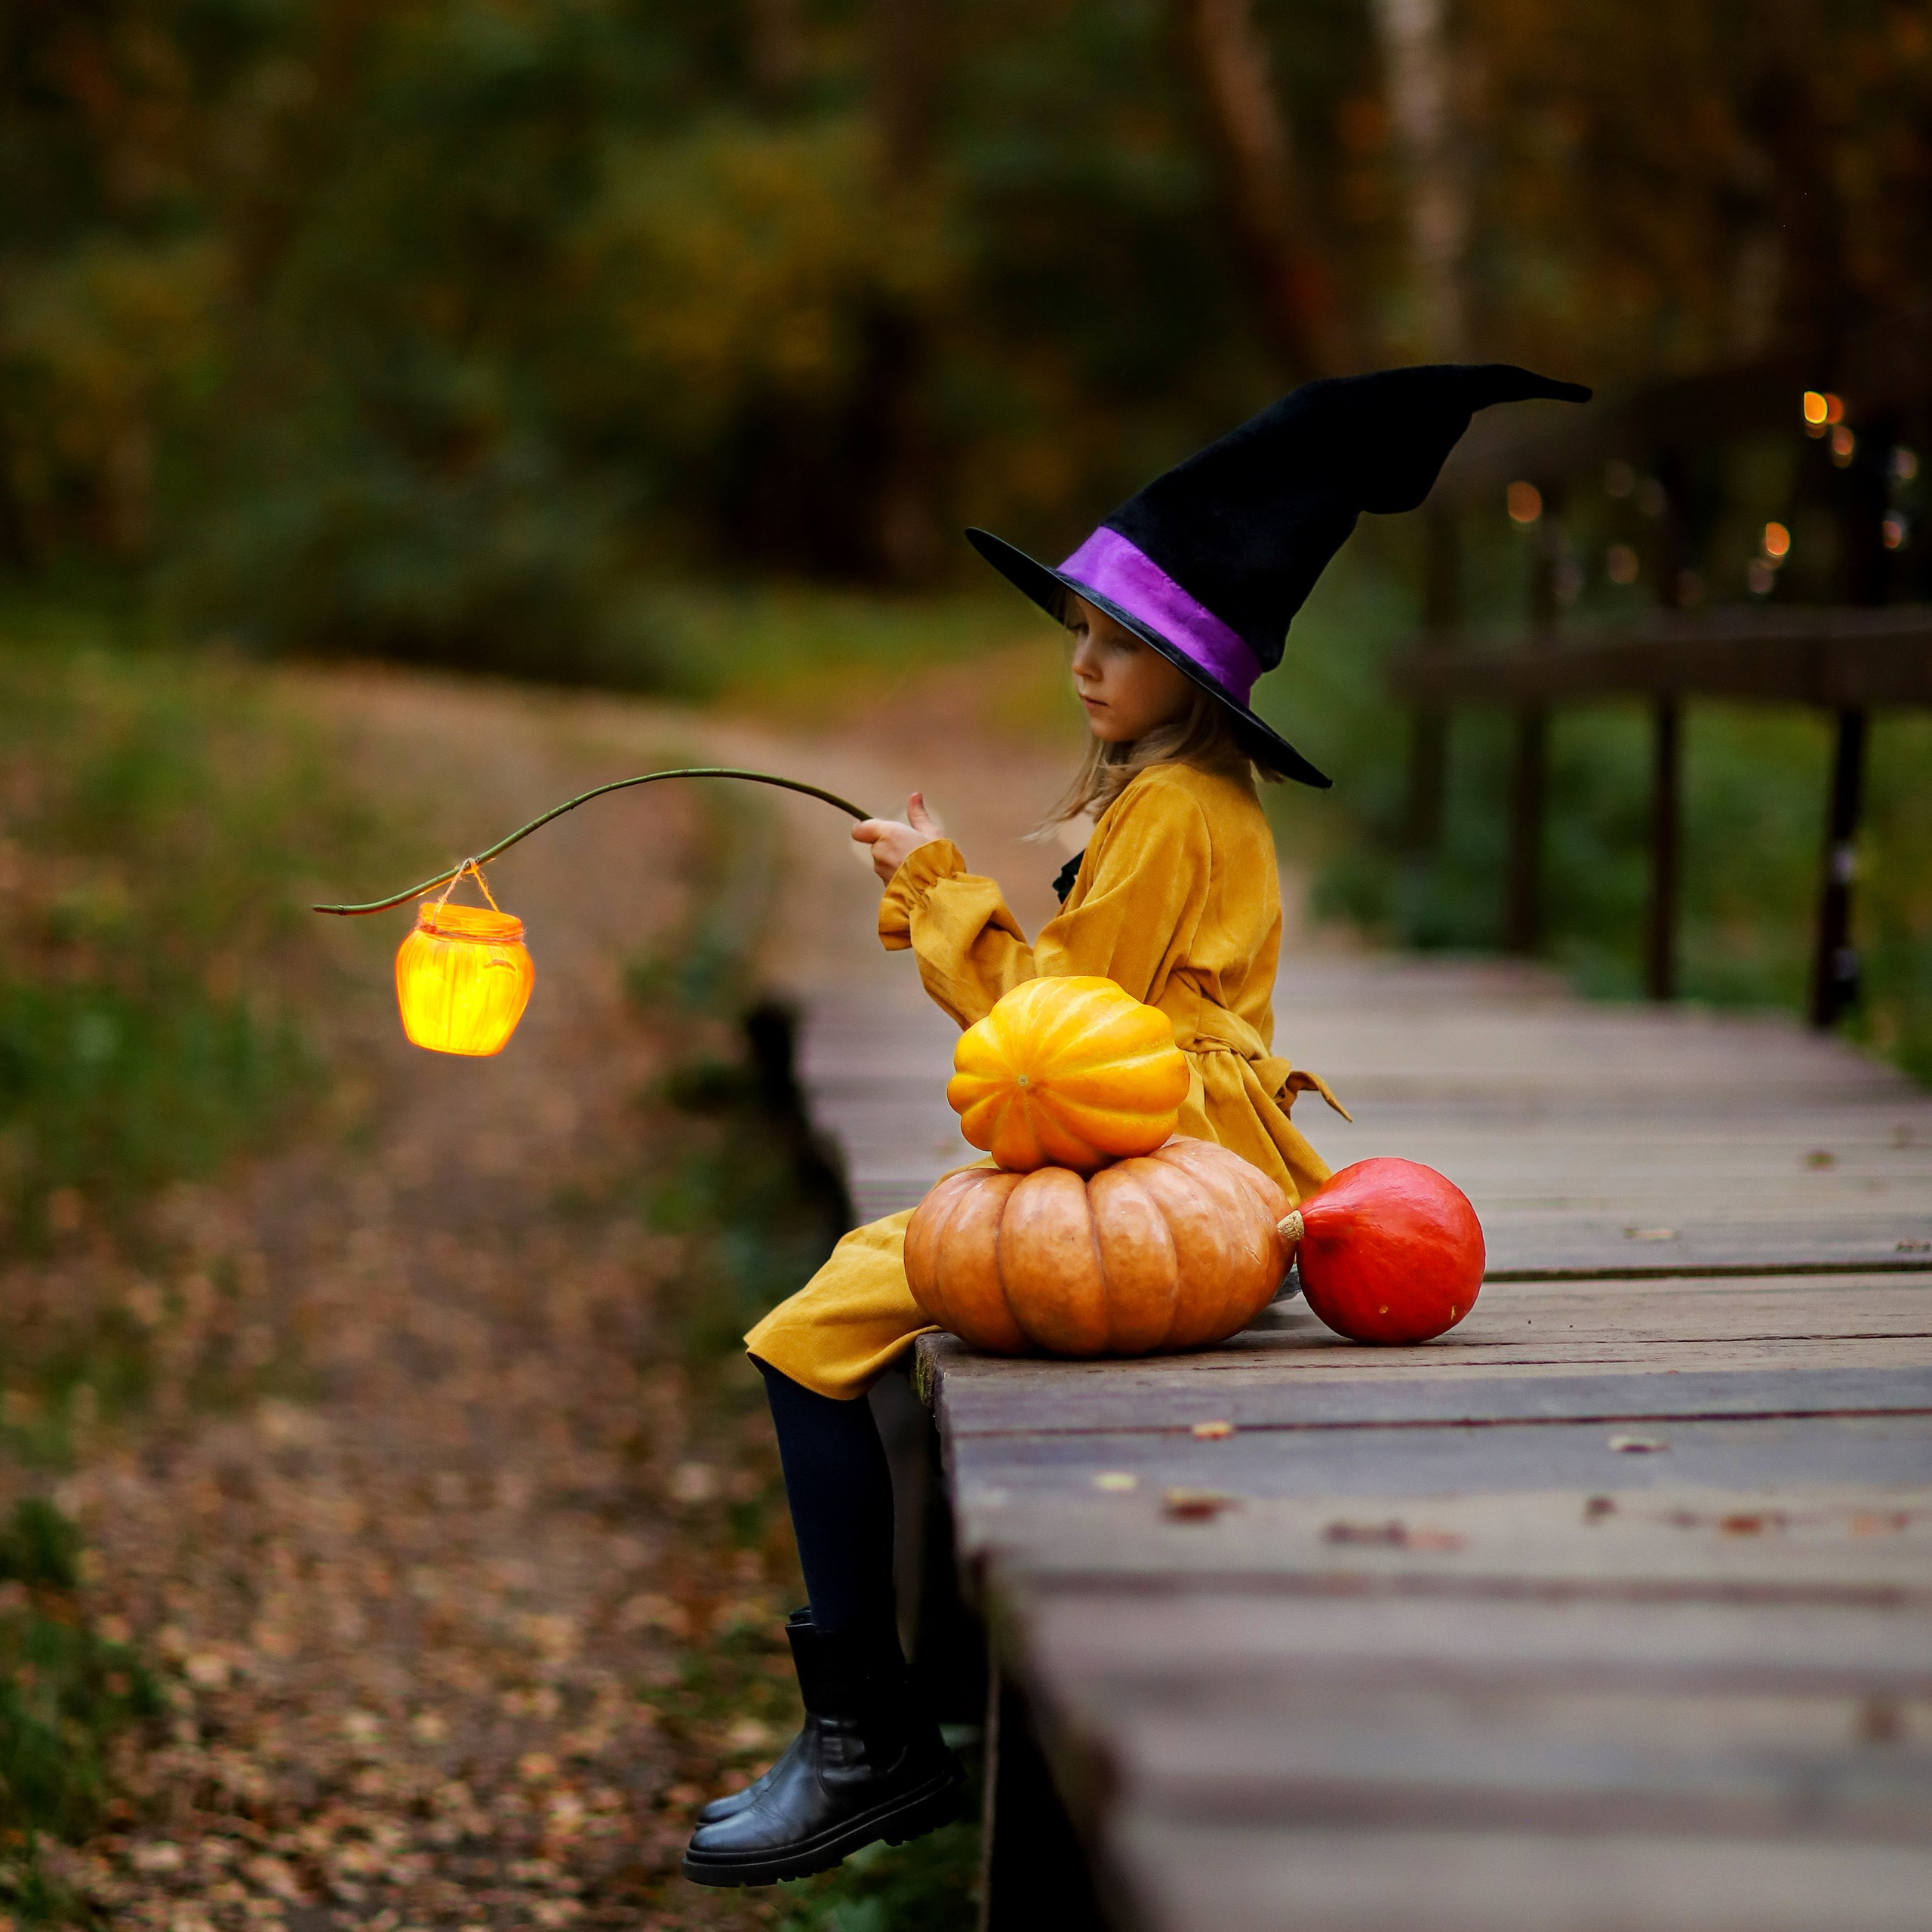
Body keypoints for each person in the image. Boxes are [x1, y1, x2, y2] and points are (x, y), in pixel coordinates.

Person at [680, 362, 1589, 1890]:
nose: (1084, 664)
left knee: (805, 1331)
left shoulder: (1171, 811)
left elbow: (1053, 1040)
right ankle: (861, 1730)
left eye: (1121, 643)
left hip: (1159, 1155)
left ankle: (866, 1742)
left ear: (1199, 672)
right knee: (848, 1297)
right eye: (1080, 632)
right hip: (1165, 1145)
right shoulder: (1179, 799)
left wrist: (939, 891)